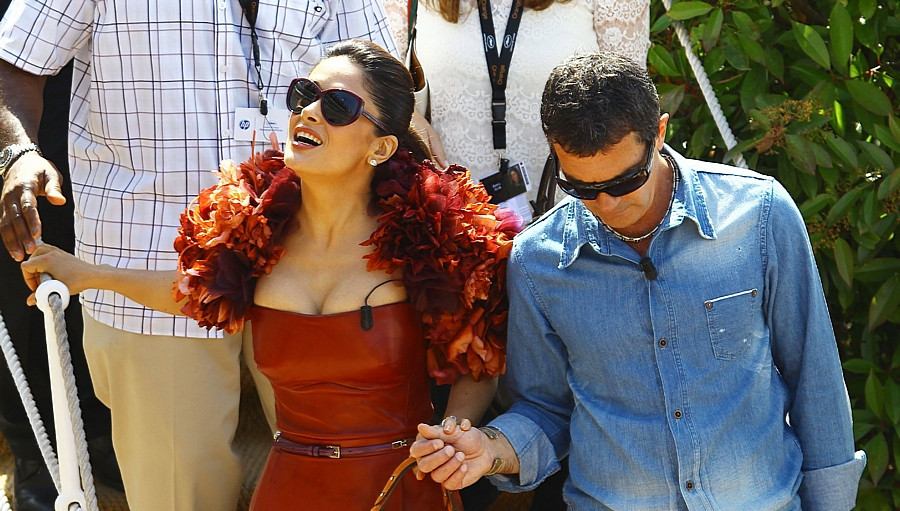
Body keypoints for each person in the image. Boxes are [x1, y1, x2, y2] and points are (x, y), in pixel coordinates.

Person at [21, 39, 521, 509]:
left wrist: (456, 432)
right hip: (289, 485)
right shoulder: (253, 227)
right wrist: (86, 274)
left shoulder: (431, 236)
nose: (307, 111)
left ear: (382, 147)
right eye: (304, 94)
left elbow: (481, 351)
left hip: (399, 486)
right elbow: (193, 293)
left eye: (337, 107)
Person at [410, 52, 867, 510]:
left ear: (660, 133)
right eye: (582, 188)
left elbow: (816, 378)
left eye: (626, 181)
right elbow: (546, 411)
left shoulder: (760, 214)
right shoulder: (536, 263)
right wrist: (491, 449)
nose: (606, 204)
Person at [0, 2, 396, 509]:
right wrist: (18, 153)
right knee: (178, 496)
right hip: (145, 254)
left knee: (333, 489)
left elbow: (382, 78)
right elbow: (15, 61)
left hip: (311, 272)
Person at [0, 40, 121, 511]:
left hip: (99, 128)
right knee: (21, 298)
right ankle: (33, 456)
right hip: (14, 125)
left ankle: (97, 437)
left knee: (91, 288)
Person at [383, 0, 649, 209]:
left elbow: (628, 110)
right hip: (444, 222)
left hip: (568, 214)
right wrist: (409, 114)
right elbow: (375, 82)